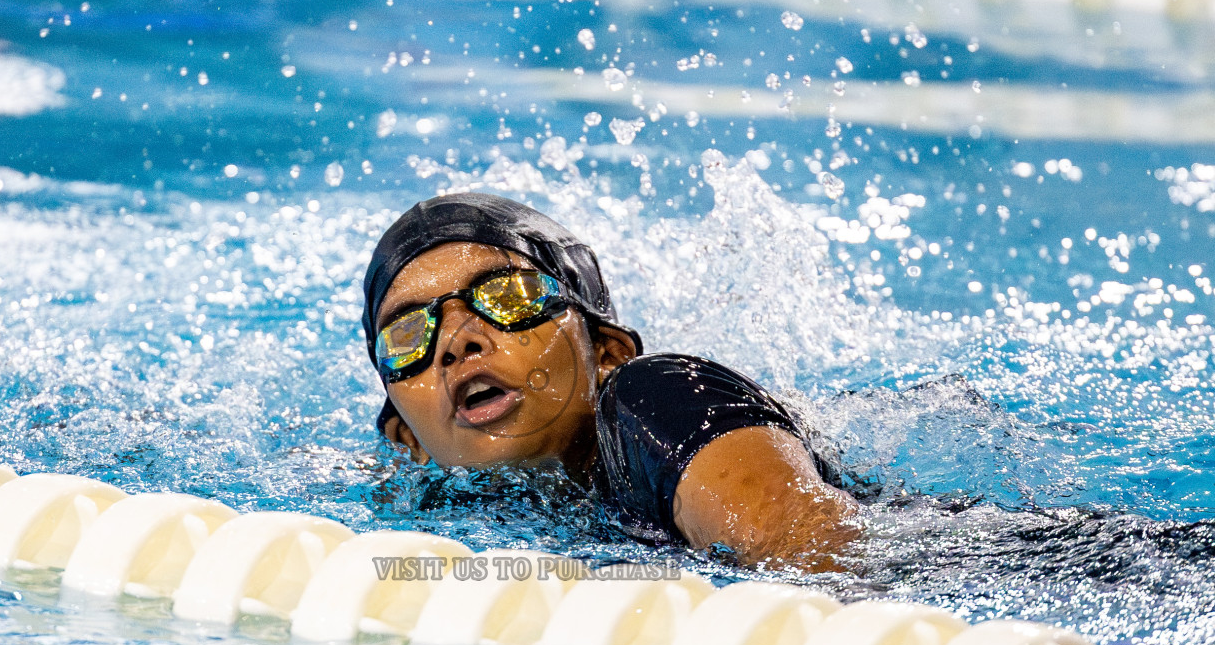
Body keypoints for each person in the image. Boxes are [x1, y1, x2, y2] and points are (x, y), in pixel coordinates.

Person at [361, 192, 861, 571]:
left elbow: (833, 561)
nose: (456, 341)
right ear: (408, 440)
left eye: (507, 296)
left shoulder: (659, 399)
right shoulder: (429, 509)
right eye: (407, 334)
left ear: (605, 354)